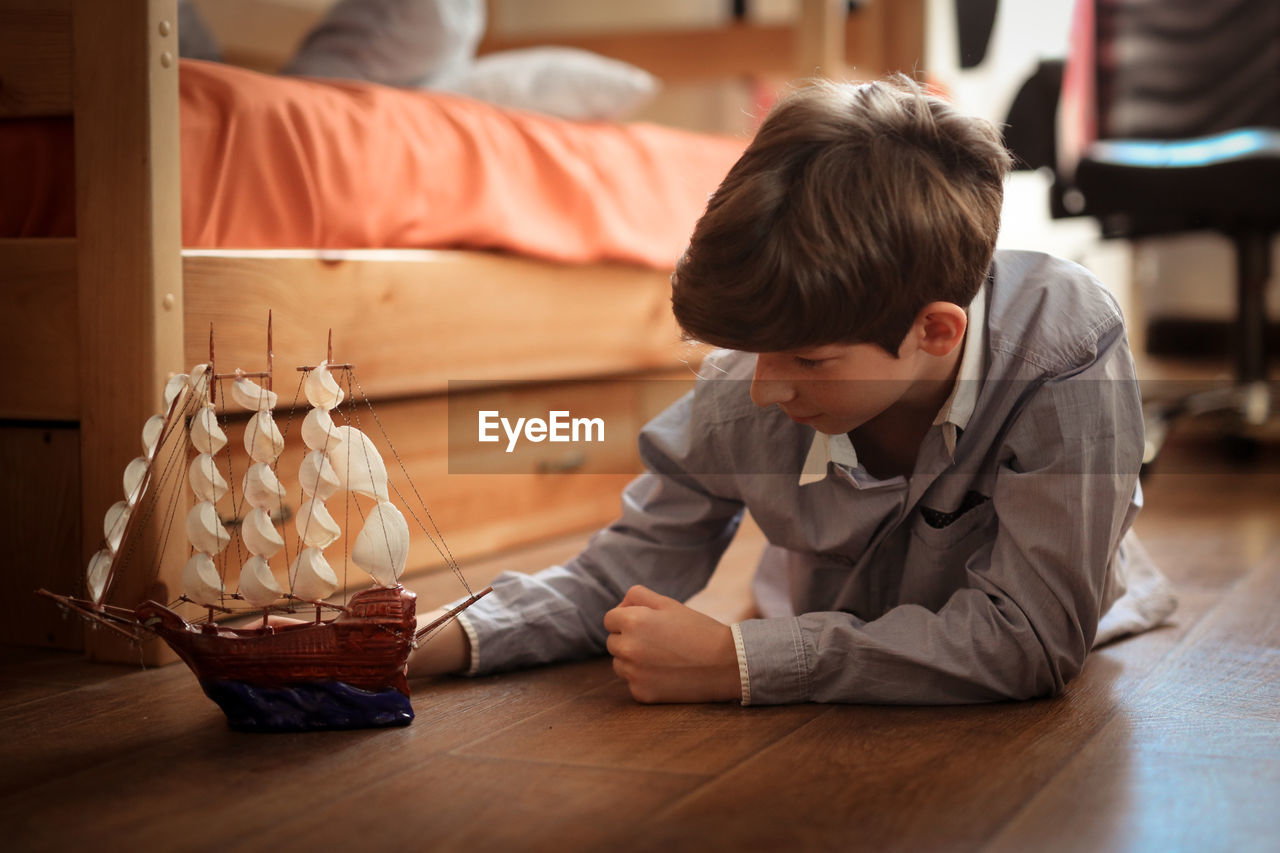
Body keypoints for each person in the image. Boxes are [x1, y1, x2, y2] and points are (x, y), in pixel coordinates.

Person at [408, 74, 1174, 704]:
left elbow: (1032, 637)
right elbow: (612, 577)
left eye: (809, 361)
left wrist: (740, 660)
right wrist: (416, 642)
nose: (765, 388)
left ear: (935, 331)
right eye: (747, 351)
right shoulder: (747, 378)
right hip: (823, 612)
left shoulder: (1068, 347)